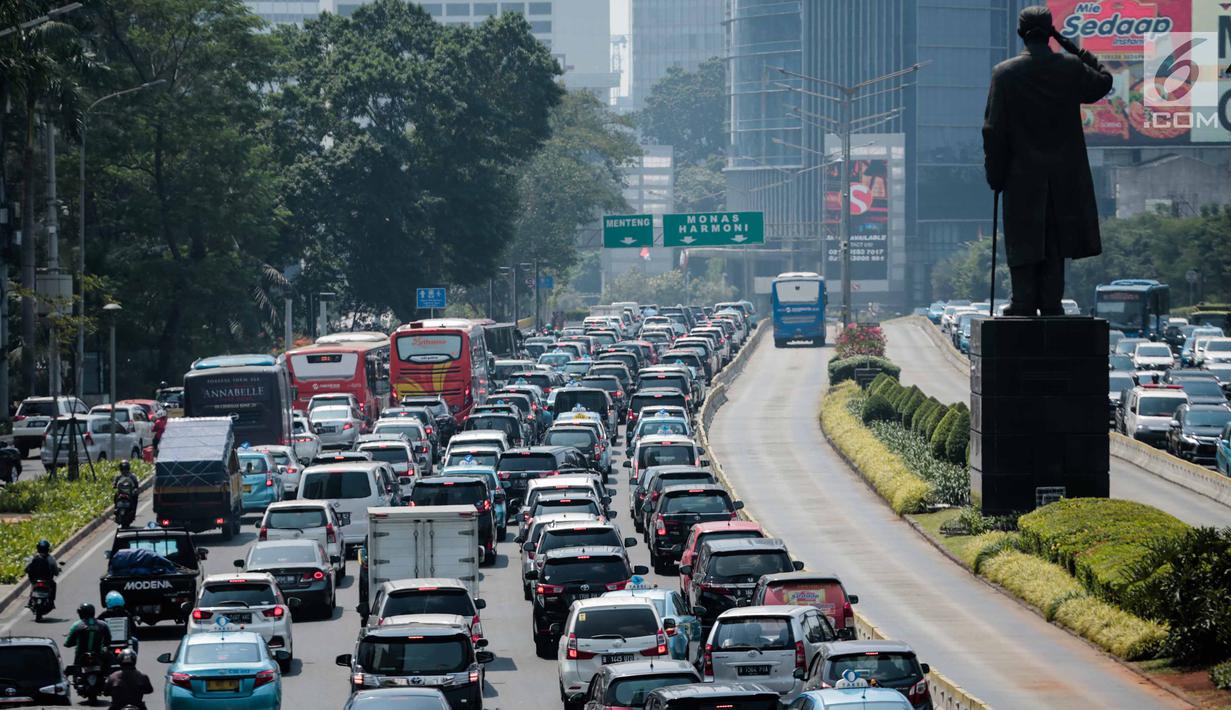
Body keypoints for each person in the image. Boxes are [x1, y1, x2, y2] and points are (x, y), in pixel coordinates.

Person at [982, 5, 1112, 316]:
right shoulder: (1069, 68)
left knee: (1022, 237)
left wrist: (995, 174)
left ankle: (1023, 300)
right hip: (1064, 174)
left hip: (1020, 174)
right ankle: (1052, 302)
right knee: (1055, 240)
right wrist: (1071, 45)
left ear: (1020, 33)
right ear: (1050, 31)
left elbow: (993, 129)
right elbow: (1104, 80)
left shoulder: (1005, 73)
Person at [65, 603, 112, 671]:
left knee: (75, 672)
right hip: (99, 656)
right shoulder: (103, 625)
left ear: (81, 613)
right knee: (108, 664)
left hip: (80, 658)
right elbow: (108, 642)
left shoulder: (76, 625)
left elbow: (67, 644)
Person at [24, 540, 59, 607]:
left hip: (35, 580)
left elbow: (27, 568)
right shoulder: (51, 559)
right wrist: (57, 572)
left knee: (33, 585)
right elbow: (55, 571)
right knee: (53, 585)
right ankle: (51, 601)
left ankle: (30, 600)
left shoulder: (34, 558)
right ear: (47, 549)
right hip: (47, 580)